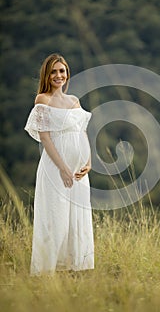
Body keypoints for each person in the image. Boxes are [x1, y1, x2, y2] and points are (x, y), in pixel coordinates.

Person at [24, 53, 94, 275]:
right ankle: (48, 270)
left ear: (67, 73)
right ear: (47, 74)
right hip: (56, 168)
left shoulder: (74, 101)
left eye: (62, 71)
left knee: (77, 216)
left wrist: (88, 162)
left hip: (78, 172)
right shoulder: (42, 100)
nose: (58, 75)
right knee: (56, 215)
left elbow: (82, 133)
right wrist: (63, 167)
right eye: (53, 71)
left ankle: (75, 267)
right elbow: (45, 138)